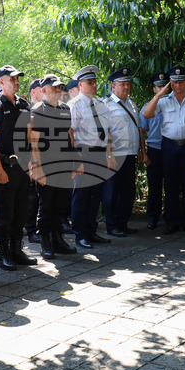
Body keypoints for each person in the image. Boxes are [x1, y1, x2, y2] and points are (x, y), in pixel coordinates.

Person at [0, 65, 38, 270]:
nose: (17, 82)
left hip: (22, 167)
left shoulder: (24, 104)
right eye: (13, 79)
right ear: (2, 82)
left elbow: (30, 136)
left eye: (18, 78)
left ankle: (17, 250)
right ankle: (4, 253)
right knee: (4, 212)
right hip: (5, 166)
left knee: (20, 210)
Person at [144, 66, 185, 234]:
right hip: (168, 146)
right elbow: (147, 114)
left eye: (181, 81)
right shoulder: (163, 101)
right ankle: (172, 221)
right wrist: (160, 94)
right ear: (170, 83)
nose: (177, 85)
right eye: (174, 82)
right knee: (170, 184)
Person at [28, 74, 78, 258]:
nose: (58, 90)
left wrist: (75, 162)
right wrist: (37, 167)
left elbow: (70, 136)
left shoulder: (65, 109)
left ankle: (58, 239)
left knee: (61, 204)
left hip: (64, 164)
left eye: (60, 87)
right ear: (44, 90)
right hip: (46, 165)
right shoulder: (37, 110)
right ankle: (45, 242)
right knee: (47, 205)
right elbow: (34, 142)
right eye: (54, 87)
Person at [67, 65, 114, 250]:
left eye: (95, 82)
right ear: (80, 84)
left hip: (99, 152)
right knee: (82, 195)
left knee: (96, 195)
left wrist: (109, 154)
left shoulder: (101, 104)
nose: (94, 85)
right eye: (89, 82)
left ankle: (91, 231)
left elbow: (107, 131)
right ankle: (80, 234)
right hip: (84, 152)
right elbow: (70, 133)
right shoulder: (74, 105)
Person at [103, 67, 145, 236]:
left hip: (130, 153)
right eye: (122, 84)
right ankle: (111, 225)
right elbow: (104, 131)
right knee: (112, 191)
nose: (126, 87)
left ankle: (122, 223)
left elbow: (139, 129)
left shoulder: (132, 104)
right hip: (115, 154)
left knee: (127, 190)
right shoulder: (106, 105)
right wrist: (108, 154)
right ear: (113, 86)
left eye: (127, 84)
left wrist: (142, 150)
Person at [139, 73, 166, 230]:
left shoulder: (172, 105)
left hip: (170, 149)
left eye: (164, 86)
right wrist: (144, 153)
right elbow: (142, 132)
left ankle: (171, 217)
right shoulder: (147, 108)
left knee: (171, 185)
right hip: (154, 150)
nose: (162, 89)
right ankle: (152, 218)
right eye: (159, 87)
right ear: (154, 89)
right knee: (154, 186)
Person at [24, 79, 44, 244]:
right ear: (33, 92)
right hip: (32, 157)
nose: (44, 92)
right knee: (31, 197)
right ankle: (30, 230)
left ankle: (39, 228)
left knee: (41, 197)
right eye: (40, 89)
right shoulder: (28, 110)